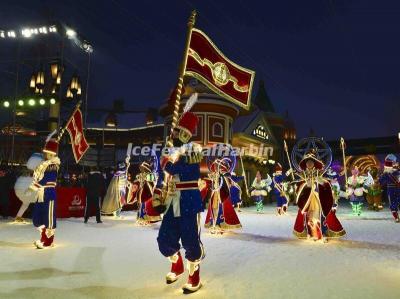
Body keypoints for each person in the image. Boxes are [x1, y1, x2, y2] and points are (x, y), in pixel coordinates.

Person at [152, 103, 204, 294]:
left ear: (185, 134)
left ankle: (194, 275)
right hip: (172, 201)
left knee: (190, 240)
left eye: (177, 133)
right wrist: (157, 197)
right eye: (173, 133)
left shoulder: (194, 151)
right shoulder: (170, 153)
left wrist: (169, 164)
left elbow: (190, 172)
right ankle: (177, 264)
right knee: (164, 239)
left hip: (189, 200)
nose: (173, 136)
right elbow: (162, 176)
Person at [293, 151, 346, 242]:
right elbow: (299, 188)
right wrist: (306, 185)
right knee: (307, 216)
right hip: (307, 200)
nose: (309, 164)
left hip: (319, 198)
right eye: (307, 162)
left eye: (311, 162)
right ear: (305, 164)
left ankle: (321, 232)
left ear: (314, 163)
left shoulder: (320, 173)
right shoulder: (303, 174)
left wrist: (321, 182)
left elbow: (327, 183)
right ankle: (311, 233)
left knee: (321, 215)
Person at [29, 133, 60, 249]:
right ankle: (43, 237)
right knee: (38, 217)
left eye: (48, 153)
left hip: (49, 194)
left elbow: (48, 181)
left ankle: (48, 241)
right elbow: (38, 178)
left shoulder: (53, 165)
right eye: (45, 152)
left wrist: (33, 186)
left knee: (49, 218)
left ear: (51, 153)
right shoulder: (43, 164)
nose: (46, 154)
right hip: (40, 194)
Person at [203, 158, 242, 234]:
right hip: (215, 194)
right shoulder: (214, 174)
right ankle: (214, 224)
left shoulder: (225, 175)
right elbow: (210, 182)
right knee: (214, 208)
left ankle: (220, 224)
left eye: (219, 165)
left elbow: (233, 179)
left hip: (223, 194)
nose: (218, 167)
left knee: (221, 209)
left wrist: (240, 178)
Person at [129, 161, 161, 225]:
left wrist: (145, 182)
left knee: (145, 206)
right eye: (141, 168)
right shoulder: (143, 174)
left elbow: (151, 183)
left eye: (143, 168)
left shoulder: (150, 175)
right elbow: (139, 179)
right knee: (141, 206)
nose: (141, 169)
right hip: (142, 192)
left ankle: (144, 219)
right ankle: (141, 218)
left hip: (147, 192)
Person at [379, 154, 400, 222]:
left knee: (396, 202)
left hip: (397, 189)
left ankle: (396, 216)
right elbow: (381, 182)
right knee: (393, 204)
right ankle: (396, 216)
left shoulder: (397, 172)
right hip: (391, 189)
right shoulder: (386, 174)